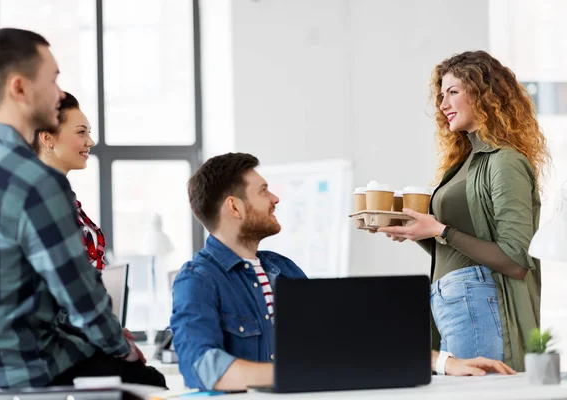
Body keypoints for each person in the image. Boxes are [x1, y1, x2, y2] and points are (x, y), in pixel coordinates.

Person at [170, 152, 516, 392]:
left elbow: (344, 340)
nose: (275, 198)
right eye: (262, 191)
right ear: (234, 206)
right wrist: (302, 375)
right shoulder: (197, 280)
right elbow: (202, 366)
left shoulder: (282, 268)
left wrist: (443, 362)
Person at [0, 28, 165, 393]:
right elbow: (82, 300)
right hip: (27, 372)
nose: (60, 93)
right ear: (19, 88)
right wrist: (122, 348)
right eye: (54, 79)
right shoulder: (35, 180)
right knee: (150, 380)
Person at [379, 50, 550, 372]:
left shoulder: (505, 161)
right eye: (441, 95)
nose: (442, 105)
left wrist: (441, 230)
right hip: (454, 300)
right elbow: (457, 247)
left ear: (485, 94)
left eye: (453, 92)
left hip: (476, 300)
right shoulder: (463, 164)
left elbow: (515, 260)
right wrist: (416, 231)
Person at [33, 91, 105, 271]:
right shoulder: (38, 200)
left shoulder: (64, 196)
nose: (91, 141)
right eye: (81, 132)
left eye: (89, 133)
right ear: (47, 137)